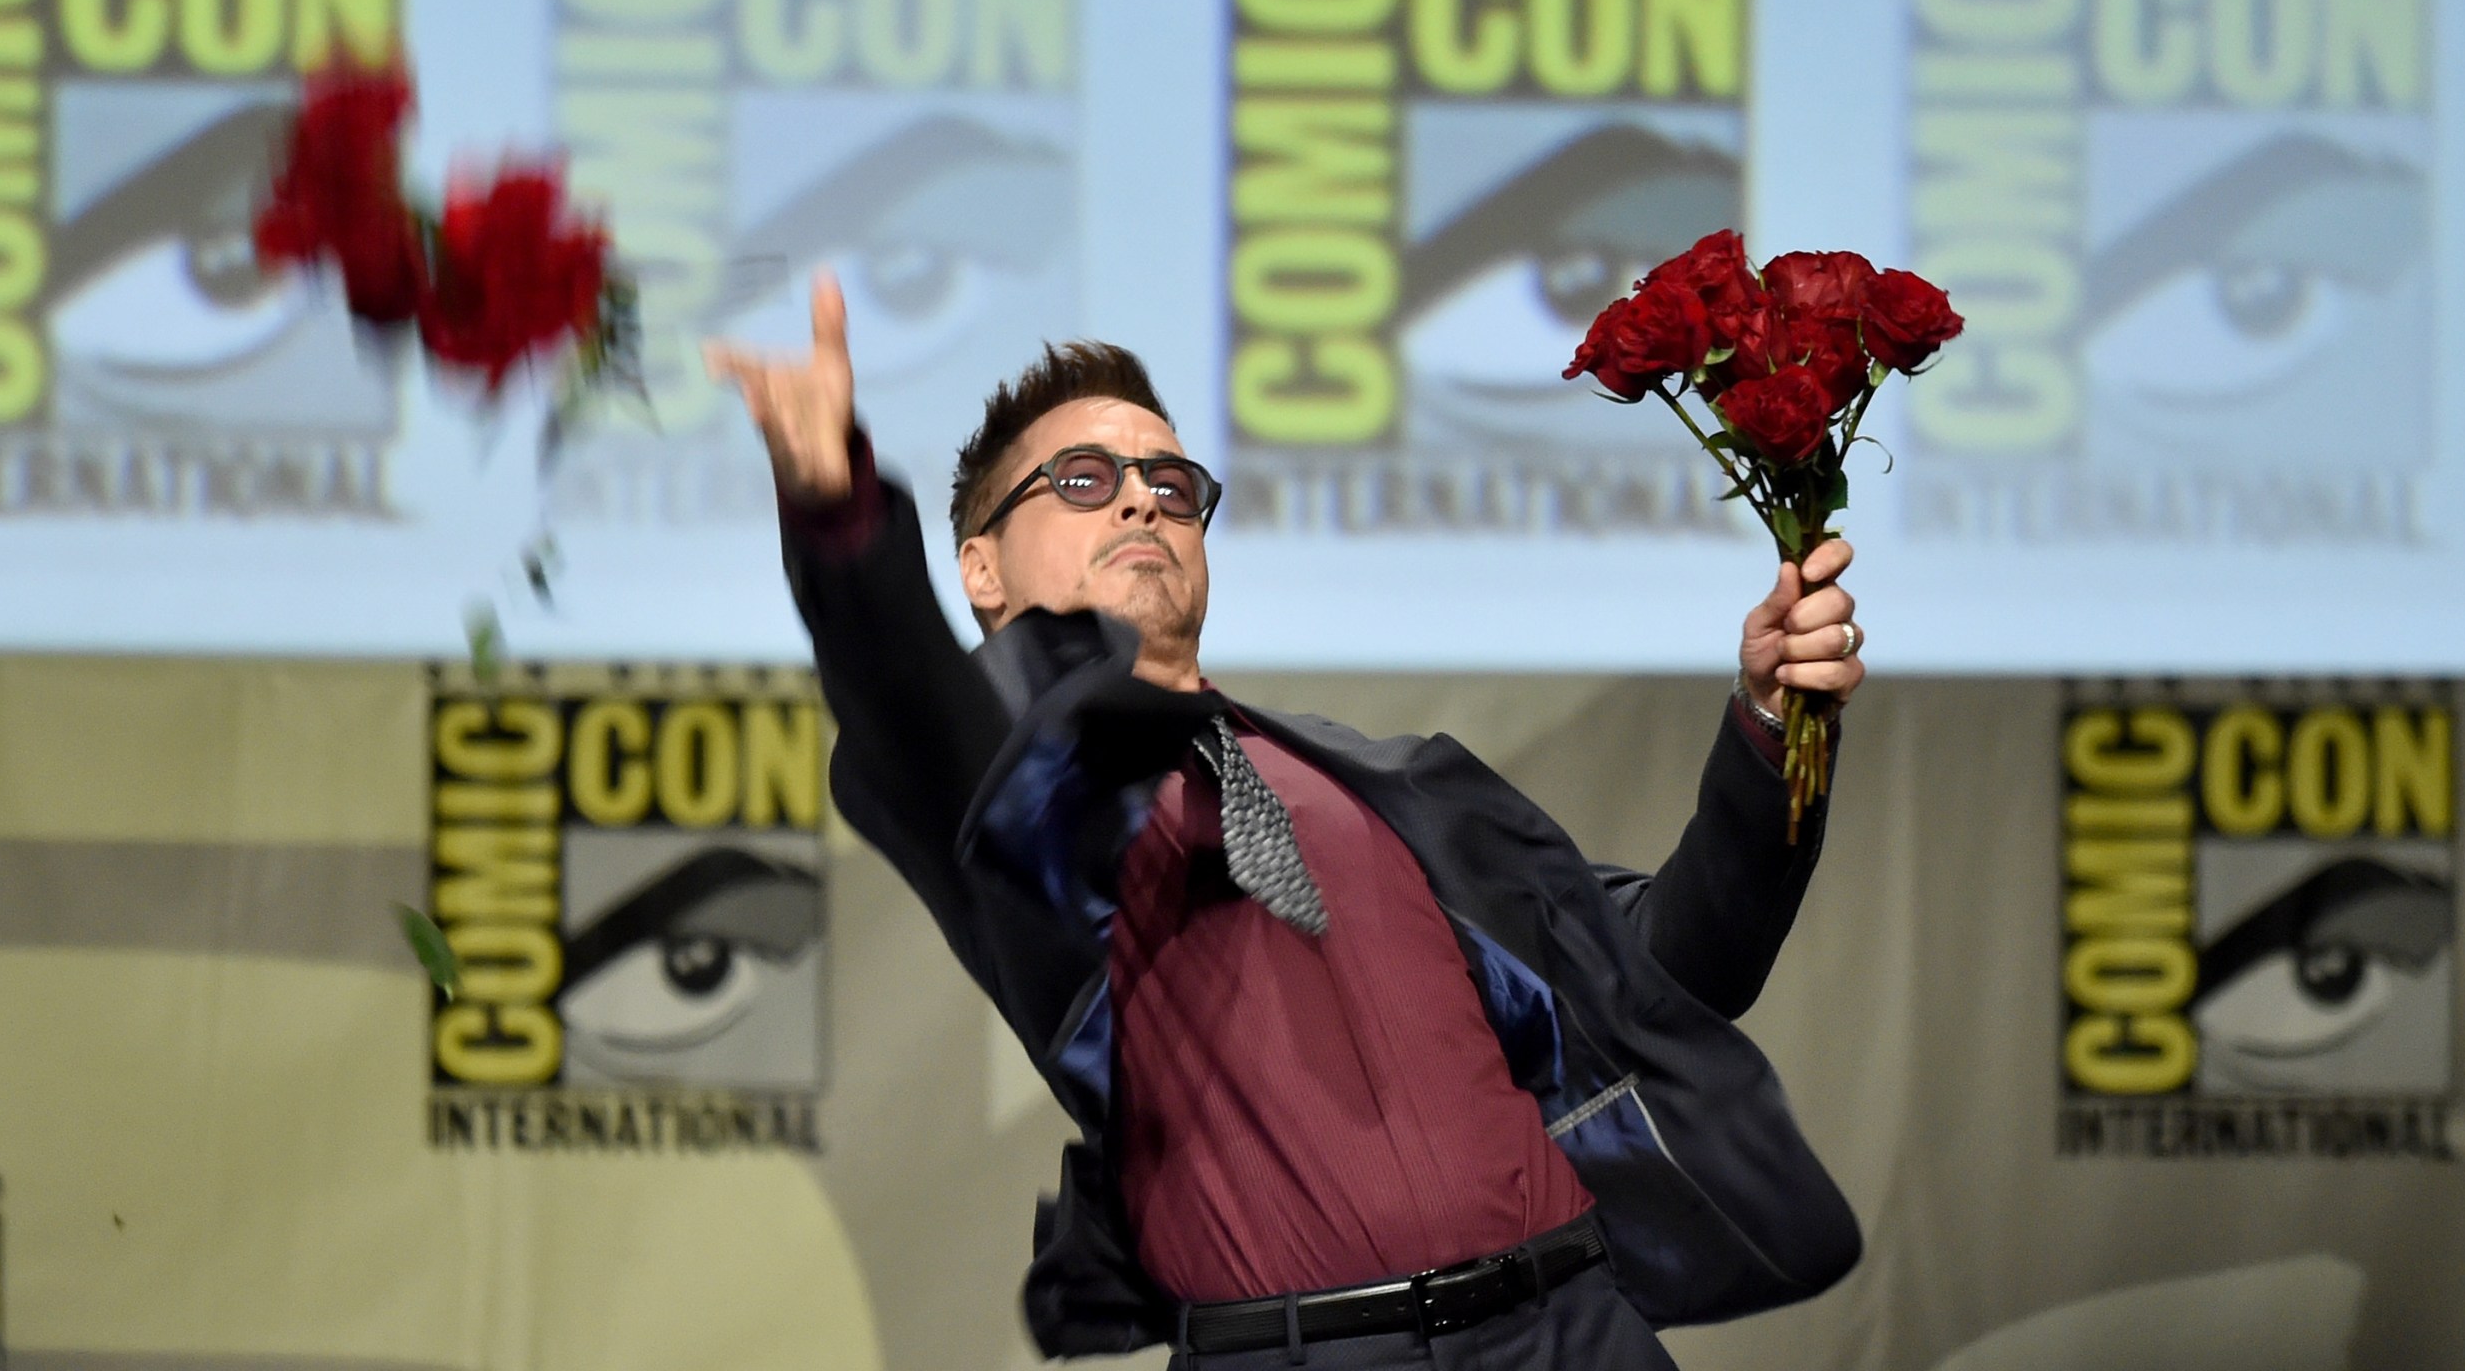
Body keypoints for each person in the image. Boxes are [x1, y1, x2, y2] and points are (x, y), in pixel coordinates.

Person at [705, 272, 1869, 1370]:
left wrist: (1769, 729)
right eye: (1080, 481)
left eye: (1171, 485)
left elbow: (1679, 968)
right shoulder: (1023, 808)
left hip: (1573, 1331)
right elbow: (911, 706)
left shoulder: (1388, 785)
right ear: (981, 570)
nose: (1140, 502)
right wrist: (839, 519)